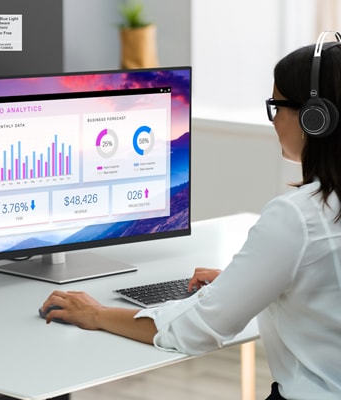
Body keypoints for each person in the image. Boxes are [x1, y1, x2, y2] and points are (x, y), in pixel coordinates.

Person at [41, 32, 341, 400]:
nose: (274, 120)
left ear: (316, 118)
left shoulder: (297, 218)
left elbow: (197, 330)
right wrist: (245, 283)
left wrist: (97, 314)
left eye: (277, 106)